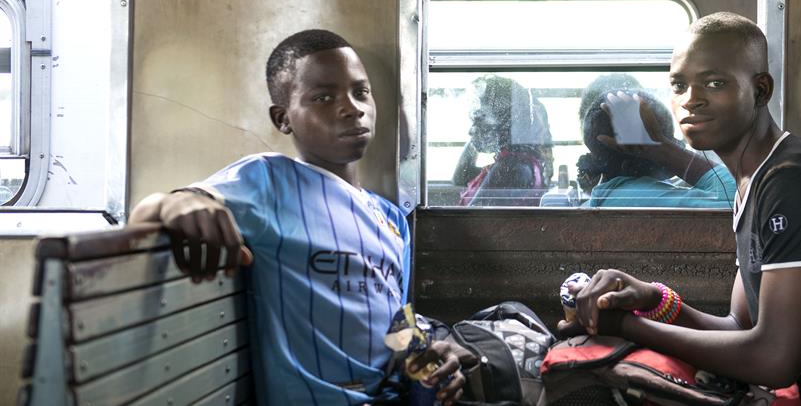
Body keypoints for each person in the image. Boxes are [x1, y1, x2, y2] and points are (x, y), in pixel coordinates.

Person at [562, 12, 801, 406]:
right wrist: (649, 299)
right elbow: (738, 326)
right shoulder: (754, 182)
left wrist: (628, 327)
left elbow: (773, 360)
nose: (690, 99)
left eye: (714, 83)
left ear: (761, 90)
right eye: (678, 85)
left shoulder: (794, 184)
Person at [128, 30, 473, 405]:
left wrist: (430, 356)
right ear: (283, 119)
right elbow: (154, 211)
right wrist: (180, 203)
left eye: (361, 92)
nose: (352, 108)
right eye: (324, 98)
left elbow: (396, 327)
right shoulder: (269, 182)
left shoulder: (391, 218)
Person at [578, 89, 735, 208]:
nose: (676, 145)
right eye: (664, 139)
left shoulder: (615, 194)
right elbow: (740, 198)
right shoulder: (637, 196)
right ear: (630, 166)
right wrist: (664, 150)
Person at [453, 75, 554, 206]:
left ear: (505, 121)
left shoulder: (511, 169)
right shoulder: (517, 162)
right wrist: (476, 137)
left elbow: (473, 218)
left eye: (480, 119)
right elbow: (460, 177)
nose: (471, 130)